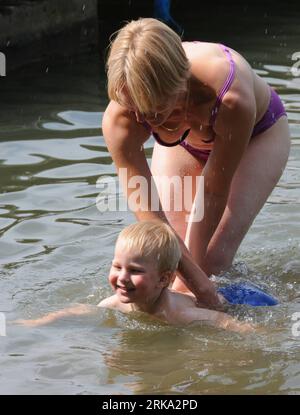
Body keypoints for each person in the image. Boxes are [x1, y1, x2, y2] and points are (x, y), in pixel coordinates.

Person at [102, 18, 290, 309]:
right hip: (185, 145)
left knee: (213, 260)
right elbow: (151, 215)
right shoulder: (121, 119)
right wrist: (185, 279)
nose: (145, 120)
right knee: (173, 257)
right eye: (136, 109)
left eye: (154, 110)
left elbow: (214, 191)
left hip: (258, 135)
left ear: (178, 85)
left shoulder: (229, 96)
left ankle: (269, 304)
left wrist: (201, 288)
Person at [15, 221, 254, 333]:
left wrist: (259, 335)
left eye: (135, 271)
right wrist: (37, 323)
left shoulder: (180, 315)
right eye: (117, 266)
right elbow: (82, 310)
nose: (122, 278)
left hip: (237, 298)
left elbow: (225, 322)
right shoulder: (116, 304)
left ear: (164, 279)